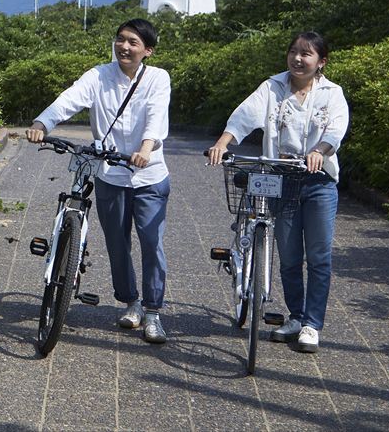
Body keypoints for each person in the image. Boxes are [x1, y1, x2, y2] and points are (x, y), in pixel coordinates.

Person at [27, 18, 173, 343]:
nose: (124, 46)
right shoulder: (99, 75)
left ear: (147, 50)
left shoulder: (158, 79)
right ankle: (131, 303)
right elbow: (70, 98)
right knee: (116, 244)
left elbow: (156, 115)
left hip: (149, 175)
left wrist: (146, 148)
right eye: (121, 40)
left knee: (151, 242)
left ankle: (153, 312)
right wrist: (43, 122)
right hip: (110, 173)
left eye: (133, 42)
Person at [204, 30, 350, 354]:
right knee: (288, 256)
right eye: (294, 52)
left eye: (307, 54)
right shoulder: (272, 87)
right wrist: (222, 144)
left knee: (319, 256)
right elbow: (244, 116)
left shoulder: (331, 93)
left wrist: (320, 151)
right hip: (281, 179)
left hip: (318, 181)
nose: (298, 59)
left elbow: (336, 129)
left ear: (321, 61)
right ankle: (296, 317)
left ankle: (312, 324)